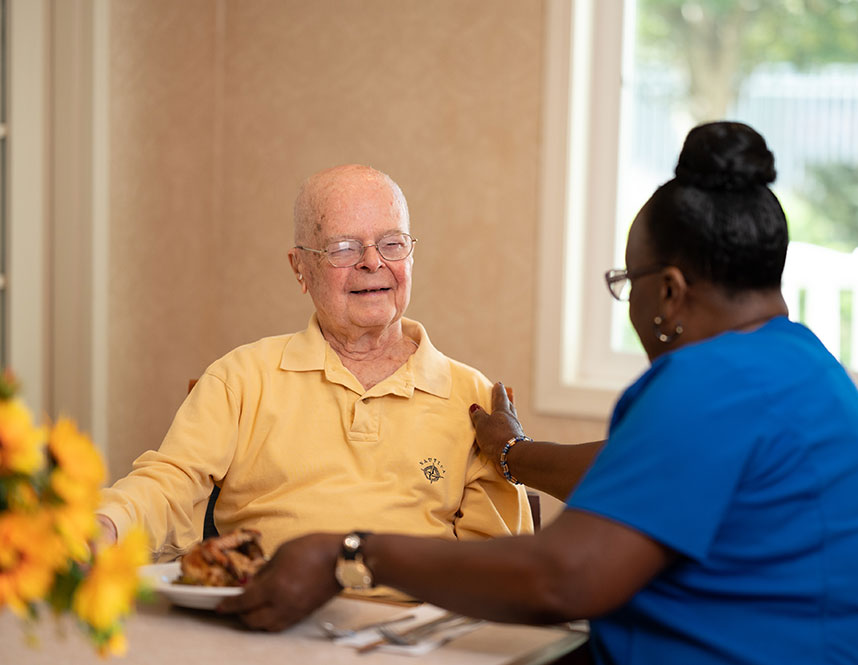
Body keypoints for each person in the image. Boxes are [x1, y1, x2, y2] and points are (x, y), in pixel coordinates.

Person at [218, 123, 858, 664]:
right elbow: (639, 468)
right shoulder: (794, 369)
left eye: (629, 284)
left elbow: (563, 577)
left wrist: (353, 551)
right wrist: (515, 453)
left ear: (669, 293)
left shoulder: (709, 383)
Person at [97, 164, 533, 563]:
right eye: (343, 248)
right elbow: (167, 484)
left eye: (392, 244)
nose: (372, 262)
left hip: (410, 636)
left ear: (410, 257)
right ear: (300, 268)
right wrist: (104, 526)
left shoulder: (473, 399)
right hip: (269, 623)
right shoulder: (241, 379)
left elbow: (498, 563)